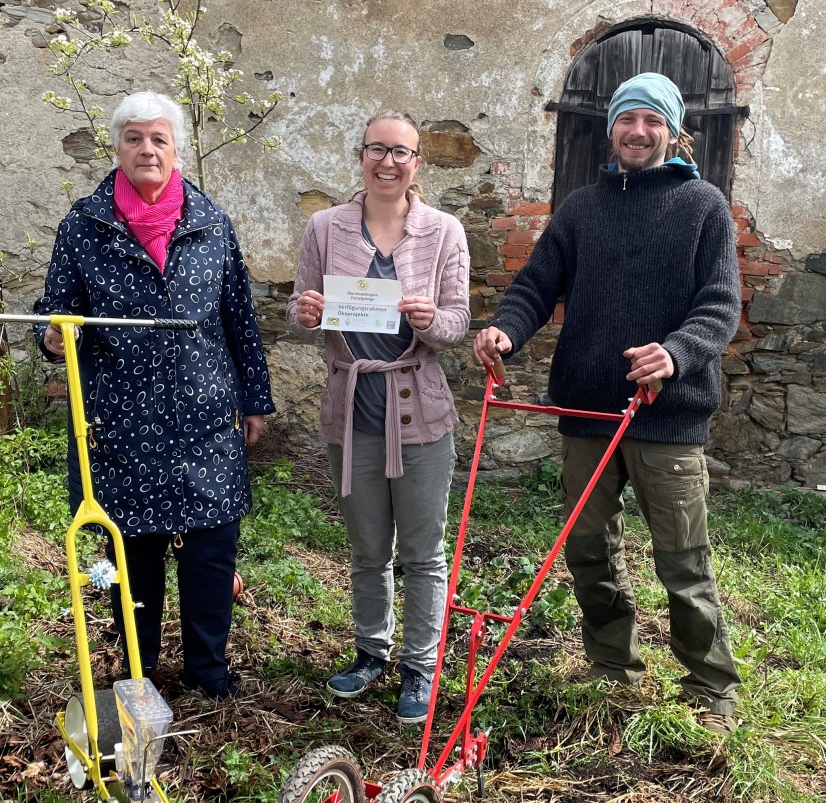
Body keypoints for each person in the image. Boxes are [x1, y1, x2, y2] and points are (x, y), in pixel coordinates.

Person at [472, 72, 742, 733]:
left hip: (668, 415)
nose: (639, 132)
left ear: (673, 132)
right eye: (629, 119)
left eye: (653, 121)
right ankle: (611, 664)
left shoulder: (704, 206)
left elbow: (721, 303)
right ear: (611, 129)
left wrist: (675, 352)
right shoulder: (580, 209)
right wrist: (509, 327)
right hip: (589, 411)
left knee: (682, 559)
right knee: (589, 546)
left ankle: (710, 688)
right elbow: (537, 285)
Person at [34, 90, 274, 699]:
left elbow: (239, 318)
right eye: (135, 138)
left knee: (210, 552)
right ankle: (137, 675)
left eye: (159, 139)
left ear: (178, 151)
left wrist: (255, 400)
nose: (147, 149)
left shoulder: (211, 223)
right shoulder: (83, 227)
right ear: (116, 147)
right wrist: (52, 339)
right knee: (131, 554)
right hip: (119, 418)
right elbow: (55, 311)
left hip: (205, 414)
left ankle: (207, 672)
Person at [288, 109, 471, 724]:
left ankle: (420, 664)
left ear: (417, 164)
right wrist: (308, 311)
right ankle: (371, 651)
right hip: (353, 412)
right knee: (368, 548)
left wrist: (428, 320)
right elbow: (300, 308)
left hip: (420, 415)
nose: (388, 162)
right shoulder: (324, 227)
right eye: (377, 150)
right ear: (361, 156)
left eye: (401, 153)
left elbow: (455, 323)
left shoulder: (444, 231)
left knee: (422, 552)